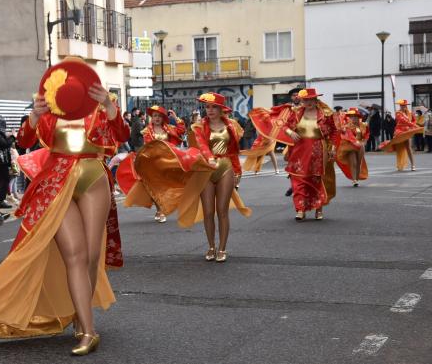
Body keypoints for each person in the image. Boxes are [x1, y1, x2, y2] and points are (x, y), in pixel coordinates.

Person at [0, 58, 129, 356]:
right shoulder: (49, 113)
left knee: (92, 255)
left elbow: (121, 136)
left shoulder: (98, 110)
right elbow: (25, 140)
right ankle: (87, 329)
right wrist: (32, 116)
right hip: (57, 181)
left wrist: (110, 108)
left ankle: (82, 317)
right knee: (74, 255)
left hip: (93, 177)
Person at [251, 88, 338, 221]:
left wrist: (332, 147)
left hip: (318, 151)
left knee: (316, 180)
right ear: (302, 101)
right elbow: (283, 125)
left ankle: (318, 209)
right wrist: (290, 132)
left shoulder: (326, 114)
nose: (308, 102)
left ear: (315, 100)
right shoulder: (296, 113)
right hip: (299, 150)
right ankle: (300, 209)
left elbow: (334, 132)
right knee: (298, 180)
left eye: (310, 100)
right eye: (305, 100)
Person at [118, 105, 210, 225]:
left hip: (167, 162)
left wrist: (176, 118)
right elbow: (147, 146)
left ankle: (174, 204)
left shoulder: (169, 128)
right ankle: (160, 210)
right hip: (153, 163)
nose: (157, 118)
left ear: (163, 118)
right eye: (155, 116)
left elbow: (182, 129)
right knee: (155, 188)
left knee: (168, 185)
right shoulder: (146, 131)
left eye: (159, 116)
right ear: (152, 117)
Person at [190, 92, 252, 262]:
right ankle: (211, 246)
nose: (209, 110)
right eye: (207, 107)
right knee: (208, 212)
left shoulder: (231, 126)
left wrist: (238, 170)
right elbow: (201, 144)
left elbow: (234, 151)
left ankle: (222, 248)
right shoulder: (199, 126)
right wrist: (209, 157)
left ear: (221, 109)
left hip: (225, 167)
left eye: (213, 107)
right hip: (206, 169)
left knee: (222, 211)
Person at [380, 99, 424, 171]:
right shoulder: (398, 113)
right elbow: (404, 121)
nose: (403, 107)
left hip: (407, 131)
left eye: (404, 105)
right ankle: (400, 164)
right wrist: (415, 126)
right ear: (400, 106)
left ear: (406, 106)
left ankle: (413, 164)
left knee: (408, 147)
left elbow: (413, 120)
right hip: (399, 132)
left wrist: (413, 125)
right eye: (402, 105)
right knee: (399, 149)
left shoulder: (409, 113)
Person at [336, 108, 369, 187]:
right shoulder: (347, 126)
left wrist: (364, 141)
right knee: (353, 162)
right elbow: (347, 135)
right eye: (351, 117)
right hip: (350, 146)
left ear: (358, 117)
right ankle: (354, 180)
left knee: (358, 163)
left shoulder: (364, 125)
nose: (353, 118)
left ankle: (357, 178)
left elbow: (367, 134)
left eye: (354, 116)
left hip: (360, 146)